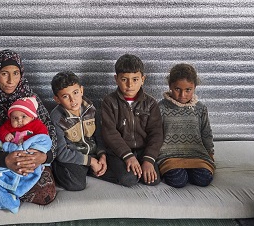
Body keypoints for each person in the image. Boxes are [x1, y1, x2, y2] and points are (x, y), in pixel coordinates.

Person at [0, 49, 57, 211]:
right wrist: (5, 160)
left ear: (21, 74)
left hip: (31, 159)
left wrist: (43, 156)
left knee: (47, 194)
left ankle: (12, 190)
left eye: (15, 73)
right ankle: (10, 189)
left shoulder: (30, 97)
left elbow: (49, 129)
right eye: (4, 74)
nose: (11, 80)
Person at [101, 54, 163, 187]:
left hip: (142, 150)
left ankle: (139, 167)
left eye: (135, 79)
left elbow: (156, 133)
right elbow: (110, 133)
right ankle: (100, 171)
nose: (130, 85)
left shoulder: (151, 103)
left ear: (143, 79)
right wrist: (128, 156)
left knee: (153, 180)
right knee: (129, 180)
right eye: (124, 79)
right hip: (118, 152)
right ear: (116, 79)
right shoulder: (109, 102)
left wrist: (148, 160)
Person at [0, 96, 52, 213]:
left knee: (30, 164)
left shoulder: (36, 125)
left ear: (32, 116)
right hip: (11, 154)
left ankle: (19, 185)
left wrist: (30, 144)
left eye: (23, 117)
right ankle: (9, 193)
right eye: (15, 118)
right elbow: (0, 132)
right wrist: (5, 135)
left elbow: (44, 137)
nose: (19, 120)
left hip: (29, 153)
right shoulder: (8, 125)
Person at [156, 63, 215, 188]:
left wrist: (210, 152)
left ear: (194, 88)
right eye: (178, 89)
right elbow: (155, 134)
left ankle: (191, 169)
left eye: (188, 90)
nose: (183, 95)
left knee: (203, 179)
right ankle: (182, 171)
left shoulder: (200, 108)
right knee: (178, 181)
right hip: (169, 156)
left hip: (196, 154)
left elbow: (206, 133)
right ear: (170, 86)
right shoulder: (161, 108)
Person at [50, 71, 107, 191]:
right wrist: (90, 161)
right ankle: (57, 169)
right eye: (65, 96)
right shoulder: (56, 118)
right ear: (57, 99)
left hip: (92, 153)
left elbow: (99, 136)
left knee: (127, 177)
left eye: (75, 93)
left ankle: (91, 169)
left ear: (81, 90)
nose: (73, 99)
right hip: (73, 157)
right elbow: (62, 153)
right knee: (76, 184)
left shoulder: (91, 109)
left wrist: (102, 156)